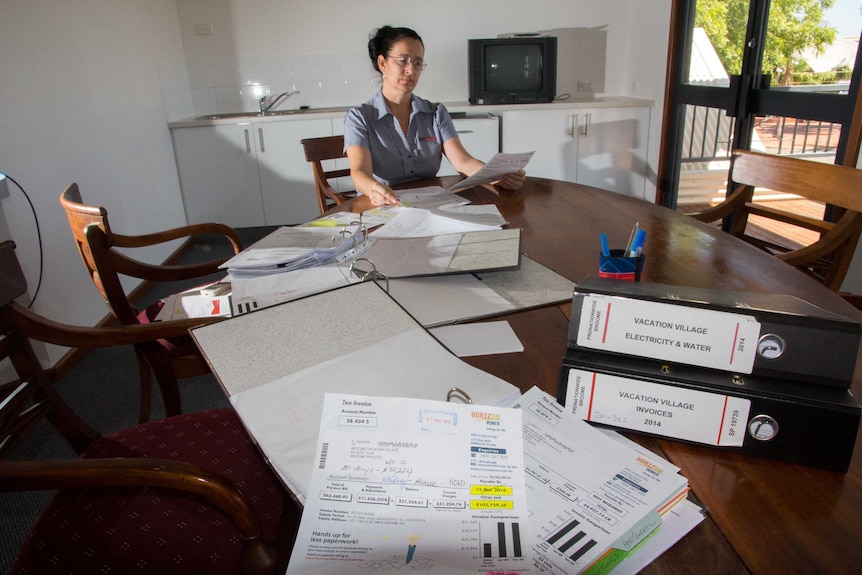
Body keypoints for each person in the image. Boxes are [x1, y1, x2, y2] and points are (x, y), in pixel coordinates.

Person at [344, 25, 525, 207]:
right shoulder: (359, 117)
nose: (410, 70)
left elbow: (463, 162)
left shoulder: (436, 113)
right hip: (383, 207)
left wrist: (498, 176)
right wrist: (374, 189)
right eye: (402, 61)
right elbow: (360, 172)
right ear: (383, 63)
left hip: (428, 206)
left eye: (417, 63)